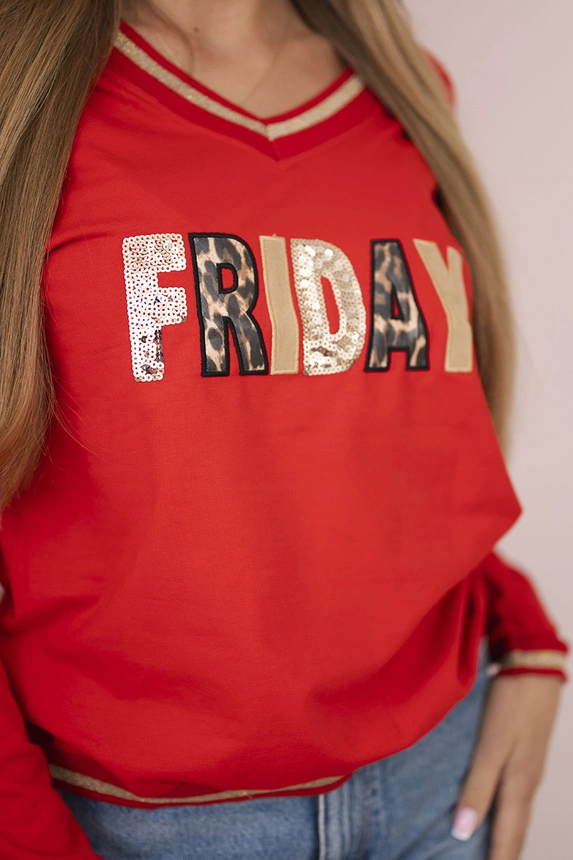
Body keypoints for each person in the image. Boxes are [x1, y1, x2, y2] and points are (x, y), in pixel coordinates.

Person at [0, 0, 568, 858]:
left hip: (439, 783)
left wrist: (524, 635)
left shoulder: (403, 85)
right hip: (148, 826)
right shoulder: (23, 88)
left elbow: (375, 440)